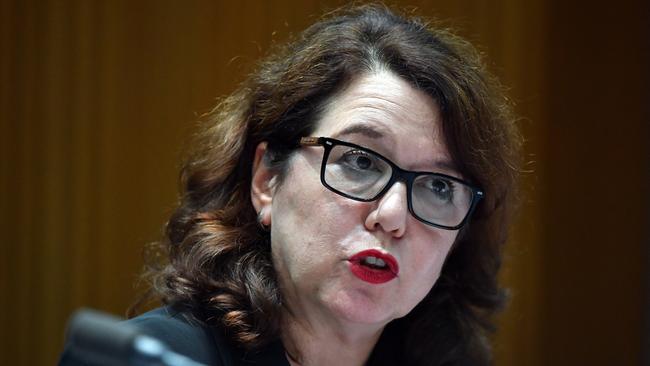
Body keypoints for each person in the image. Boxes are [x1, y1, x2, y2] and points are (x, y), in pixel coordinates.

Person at [61, 4, 521, 366]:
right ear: (266, 180)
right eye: (360, 161)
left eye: (439, 187)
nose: (393, 215)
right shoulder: (157, 359)